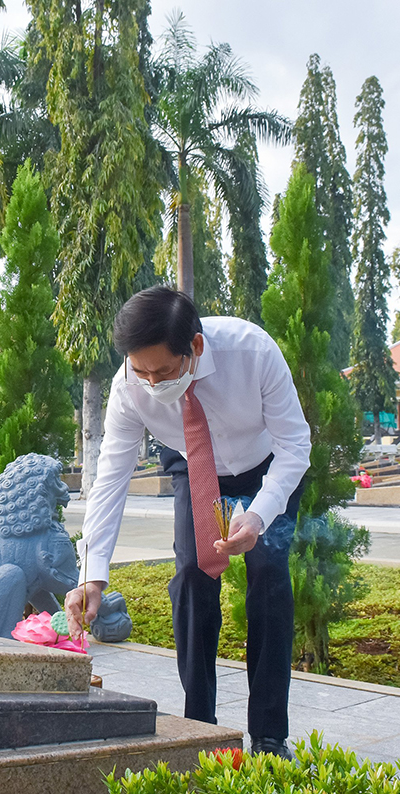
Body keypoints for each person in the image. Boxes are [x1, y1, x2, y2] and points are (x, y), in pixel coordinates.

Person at [64, 287, 311, 759]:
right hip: (195, 466)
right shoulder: (129, 386)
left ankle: (269, 735)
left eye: (164, 371)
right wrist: (92, 574)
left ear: (194, 348)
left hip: (266, 469)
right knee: (192, 582)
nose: (152, 384)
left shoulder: (252, 351)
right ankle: (199, 723)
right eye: (142, 371)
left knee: (268, 581)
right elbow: (111, 477)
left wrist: (257, 516)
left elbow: (295, 445)